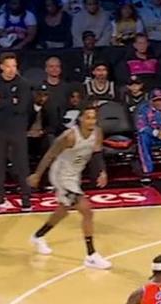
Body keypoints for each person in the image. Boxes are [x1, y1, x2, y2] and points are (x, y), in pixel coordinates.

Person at [27, 104, 111, 269]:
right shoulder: (69, 136)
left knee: (63, 210)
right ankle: (91, 255)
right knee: (87, 211)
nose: (91, 121)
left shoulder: (97, 132)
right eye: (88, 117)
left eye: (94, 118)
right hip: (61, 176)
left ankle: (38, 236)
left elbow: (97, 153)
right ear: (80, 119)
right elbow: (49, 155)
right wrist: (37, 175)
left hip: (74, 175)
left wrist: (102, 171)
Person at [0, 52, 32, 212]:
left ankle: (26, 198)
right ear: (1, 67)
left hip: (17, 128)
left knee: (22, 164)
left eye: (14, 66)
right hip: (0, 128)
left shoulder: (23, 83)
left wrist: (0, 100)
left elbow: (21, 107)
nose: (12, 70)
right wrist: (11, 100)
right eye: (8, 66)